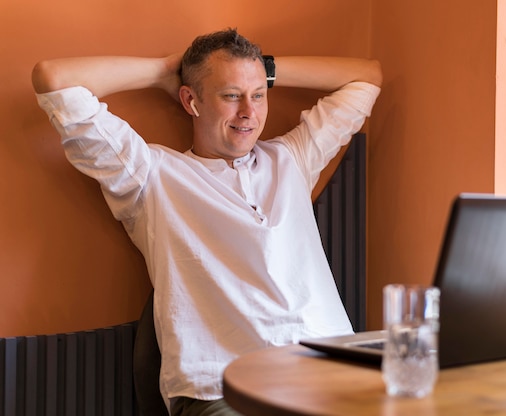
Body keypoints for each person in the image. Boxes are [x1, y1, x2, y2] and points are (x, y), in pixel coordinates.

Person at [32, 28, 382, 415]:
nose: (249, 112)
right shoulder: (150, 176)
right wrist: (164, 71)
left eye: (259, 95)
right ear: (191, 100)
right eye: (232, 95)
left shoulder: (292, 158)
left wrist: (263, 70)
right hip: (224, 388)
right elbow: (54, 80)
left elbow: (366, 77)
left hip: (334, 373)